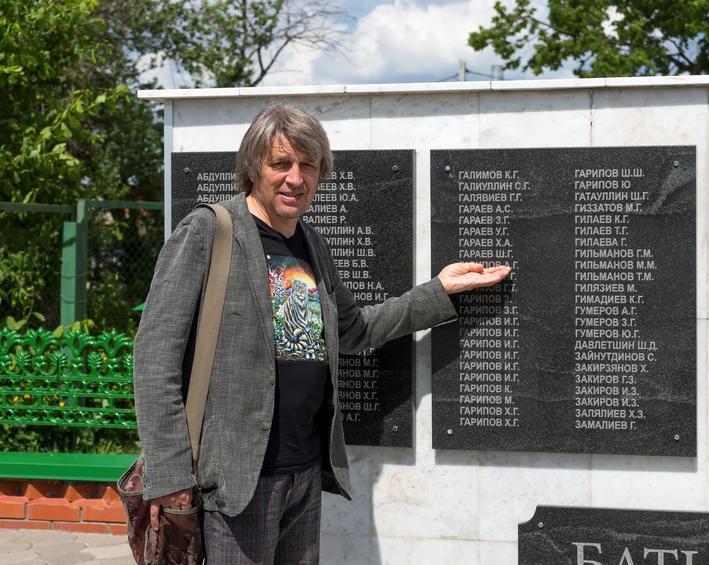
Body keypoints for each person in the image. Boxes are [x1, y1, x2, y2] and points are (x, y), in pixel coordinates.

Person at [133, 103, 511, 564]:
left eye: (308, 166)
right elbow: (155, 358)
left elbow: (353, 330)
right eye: (281, 164)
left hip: (303, 473)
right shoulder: (210, 231)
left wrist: (440, 291)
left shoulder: (311, 244)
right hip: (232, 485)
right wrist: (171, 476)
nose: (296, 178)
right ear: (254, 167)